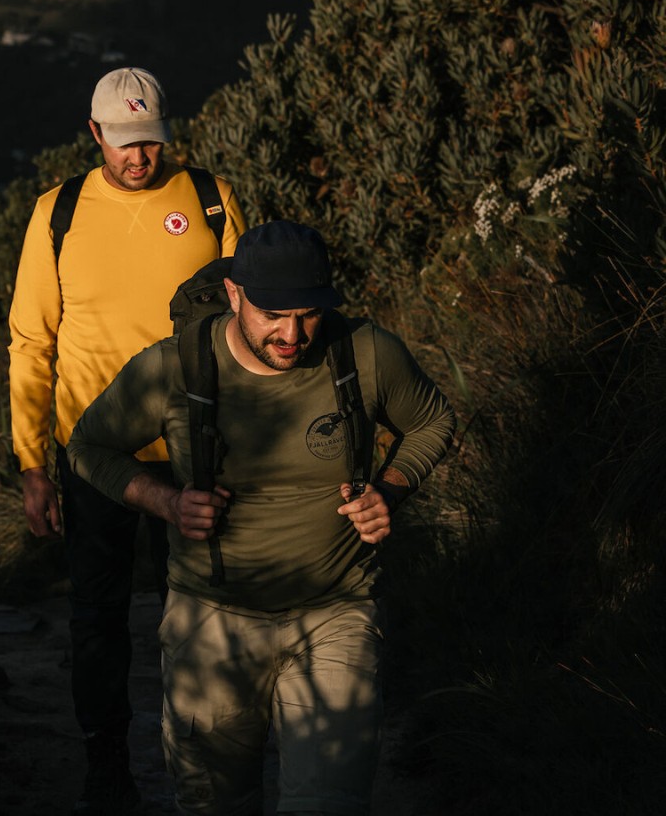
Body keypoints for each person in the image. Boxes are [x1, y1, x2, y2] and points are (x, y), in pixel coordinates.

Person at [67, 221, 456, 816]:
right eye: (274, 315)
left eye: (307, 315)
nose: (292, 334)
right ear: (234, 295)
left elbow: (432, 422)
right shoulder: (173, 369)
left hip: (338, 612)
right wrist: (166, 501)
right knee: (214, 803)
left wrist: (390, 490)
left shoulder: (366, 353)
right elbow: (88, 448)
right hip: (211, 620)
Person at [9, 66, 247, 815]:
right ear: (94, 135)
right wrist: (31, 464)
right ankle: (106, 764)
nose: (138, 158)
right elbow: (31, 341)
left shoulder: (211, 199)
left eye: (150, 143)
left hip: (196, 449)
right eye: (123, 143)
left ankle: (205, 758)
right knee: (99, 620)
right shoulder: (59, 213)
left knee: (202, 615)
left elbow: (254, 321)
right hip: (93, 457)